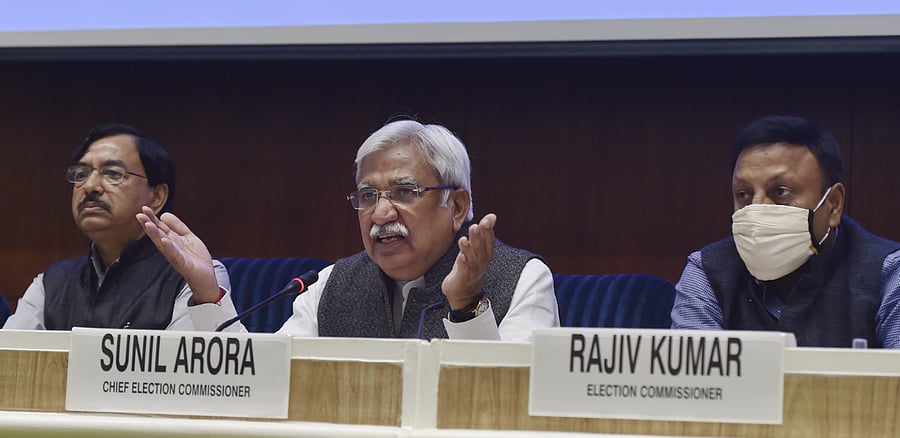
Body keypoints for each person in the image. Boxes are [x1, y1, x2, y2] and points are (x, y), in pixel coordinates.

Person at [143, 119, 559, 340]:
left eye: (404, 191)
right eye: (367, 195)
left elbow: (509, 404)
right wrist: (208, 294)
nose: (380, 213)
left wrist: (467, 305)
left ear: (457, 207)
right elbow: (263, 385)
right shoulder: (332, 284)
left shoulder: (522, 279)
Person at [671, 115, 900, 348]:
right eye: (743, 194)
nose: (757, 207)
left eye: (780, 191)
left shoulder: (888, 273)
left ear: (833, 204)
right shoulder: (707, 272)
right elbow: (696, 371)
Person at [3, 123, 238, 331]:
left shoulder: (194, 279)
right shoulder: (51, 282)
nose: (90, 186)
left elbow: (187, 365)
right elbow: (9, 358)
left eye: (113, 173)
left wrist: (206, 297)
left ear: (157, 196)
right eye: (81, 174)